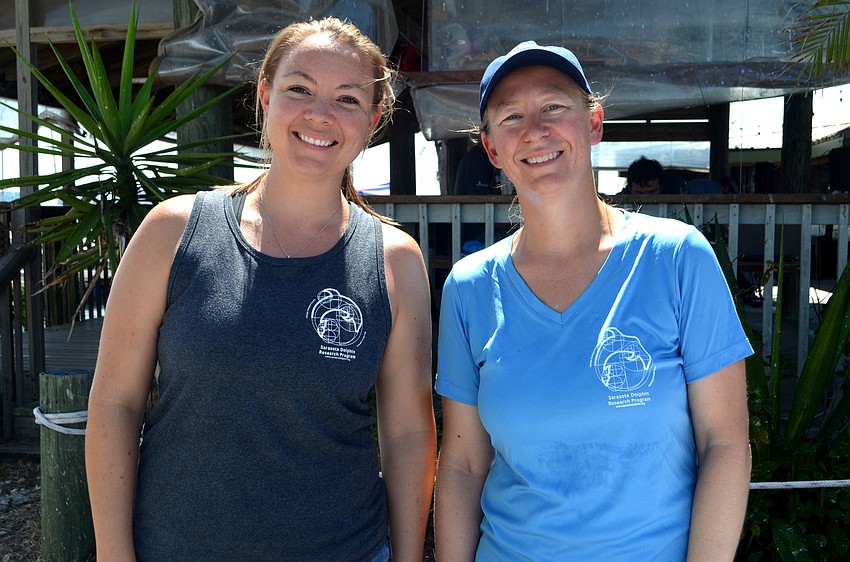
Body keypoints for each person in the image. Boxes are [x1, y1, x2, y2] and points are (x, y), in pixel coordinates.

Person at [85, 17, 436, 562]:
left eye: (347, 98)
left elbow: (410, 432)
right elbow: (114, 405)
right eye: (299, 89)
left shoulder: (395, 260)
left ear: (374, 119)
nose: (319, 114)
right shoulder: (171, 232)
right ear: (265, 96)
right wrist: (113, 552)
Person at [434, 40, 753, 561]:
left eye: (554, 107)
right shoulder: (469, 287)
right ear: (492, 150)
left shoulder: (676, 258)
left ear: (594, 123)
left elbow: (724, 444)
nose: (535, 129)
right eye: (511, 116)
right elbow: (464, 465)